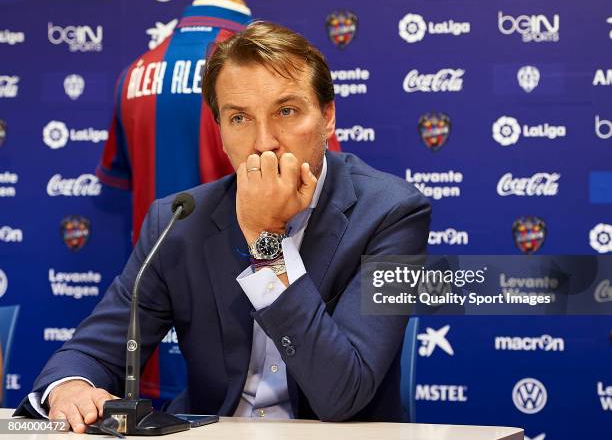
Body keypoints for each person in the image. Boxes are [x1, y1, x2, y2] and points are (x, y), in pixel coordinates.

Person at [15, 21, 431, 431]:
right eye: (239, 118)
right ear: (220, 132)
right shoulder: (178, 220)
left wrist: (265, 239)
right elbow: (92, 353)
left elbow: (344, 394)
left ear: (327, 117)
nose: (264, 142)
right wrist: (70, 387)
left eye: (286, 111)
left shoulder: (390, 213)